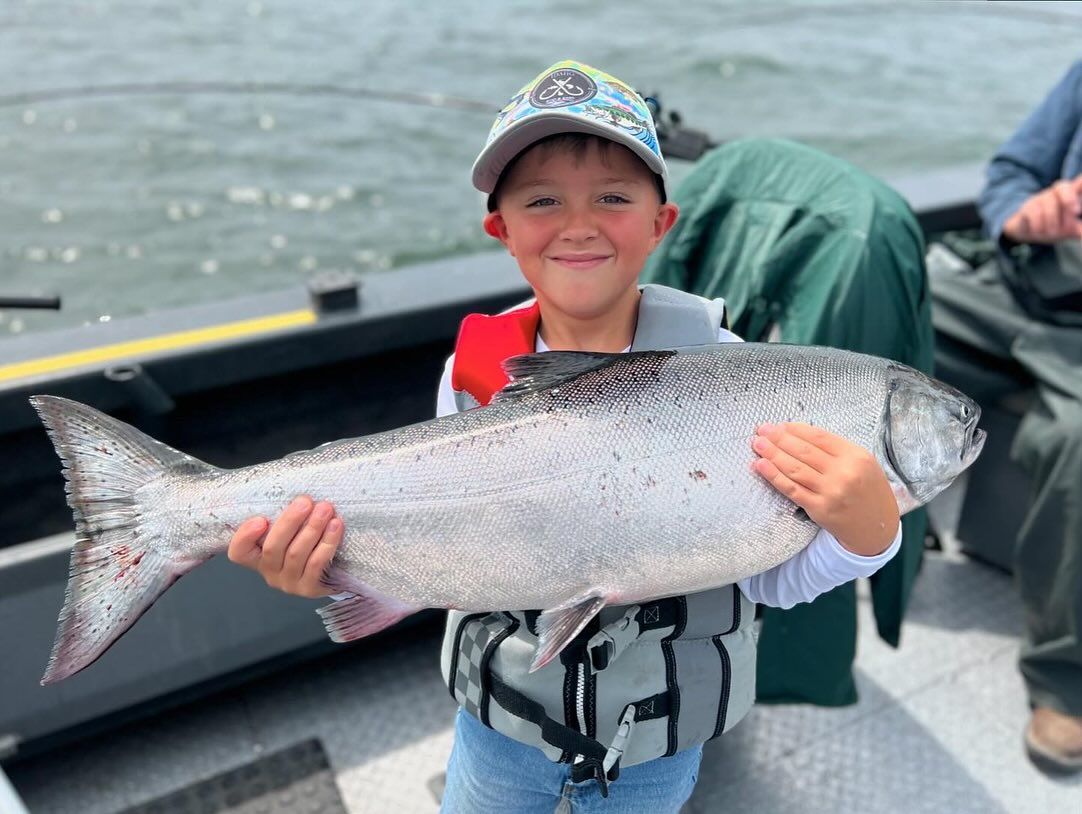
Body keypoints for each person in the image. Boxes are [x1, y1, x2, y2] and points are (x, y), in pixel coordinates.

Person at [226, 60, 903, 811]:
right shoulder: (471, 371)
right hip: (499, 728)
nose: (578, 223)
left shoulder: (739, 379)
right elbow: (427, 533)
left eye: (612, 197)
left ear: (660, 223)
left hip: (657, 742)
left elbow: (769, 576)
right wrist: (326, 567)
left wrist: (869, 534)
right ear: (502, 230)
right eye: (543, 200)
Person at [932, 60, 1082, 775]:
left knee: (1079, 443)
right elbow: (1013, 170)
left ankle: (1065, 683)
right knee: (881, 299)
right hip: (1020, 287)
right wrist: (1025, 215)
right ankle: (867, 546)